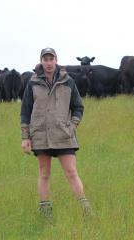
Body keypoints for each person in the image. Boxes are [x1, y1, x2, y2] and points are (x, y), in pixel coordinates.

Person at [20, 47, 92, 220]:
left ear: (56, 60)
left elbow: (78, 107)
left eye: (51, 59)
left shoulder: (68, 81)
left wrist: (72, 127)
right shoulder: (33, 83)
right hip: (40, 135)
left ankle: (86, 211)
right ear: (41, 61)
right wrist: (25, 137)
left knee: (71, 172)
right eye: (45, 59)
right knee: (44, 173)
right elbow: (25, 111)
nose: (49, 63)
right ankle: (46, 214)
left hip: (64, 135)